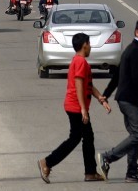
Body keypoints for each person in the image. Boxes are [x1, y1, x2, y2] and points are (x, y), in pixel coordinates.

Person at [38, 33, 111, 183]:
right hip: (76, 107)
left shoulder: (79, 61)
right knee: (77, 138)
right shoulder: (80, 62)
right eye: (89, 44)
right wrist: (83, 109)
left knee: (85, 138)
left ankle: (90, 172)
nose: (90, 47)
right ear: (84, 45)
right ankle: (47, 162)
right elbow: (78, 85)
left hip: (75, 105)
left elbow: (87, 85)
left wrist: (100, 98)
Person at [98, 19, 138, 184]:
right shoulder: (136, 51)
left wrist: (106, 94)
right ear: (137, 32)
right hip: (130, 99)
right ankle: (108, 157)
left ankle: (132, 172)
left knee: (134, 136)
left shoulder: (131, 49)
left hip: (124, 98)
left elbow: (117, 75)